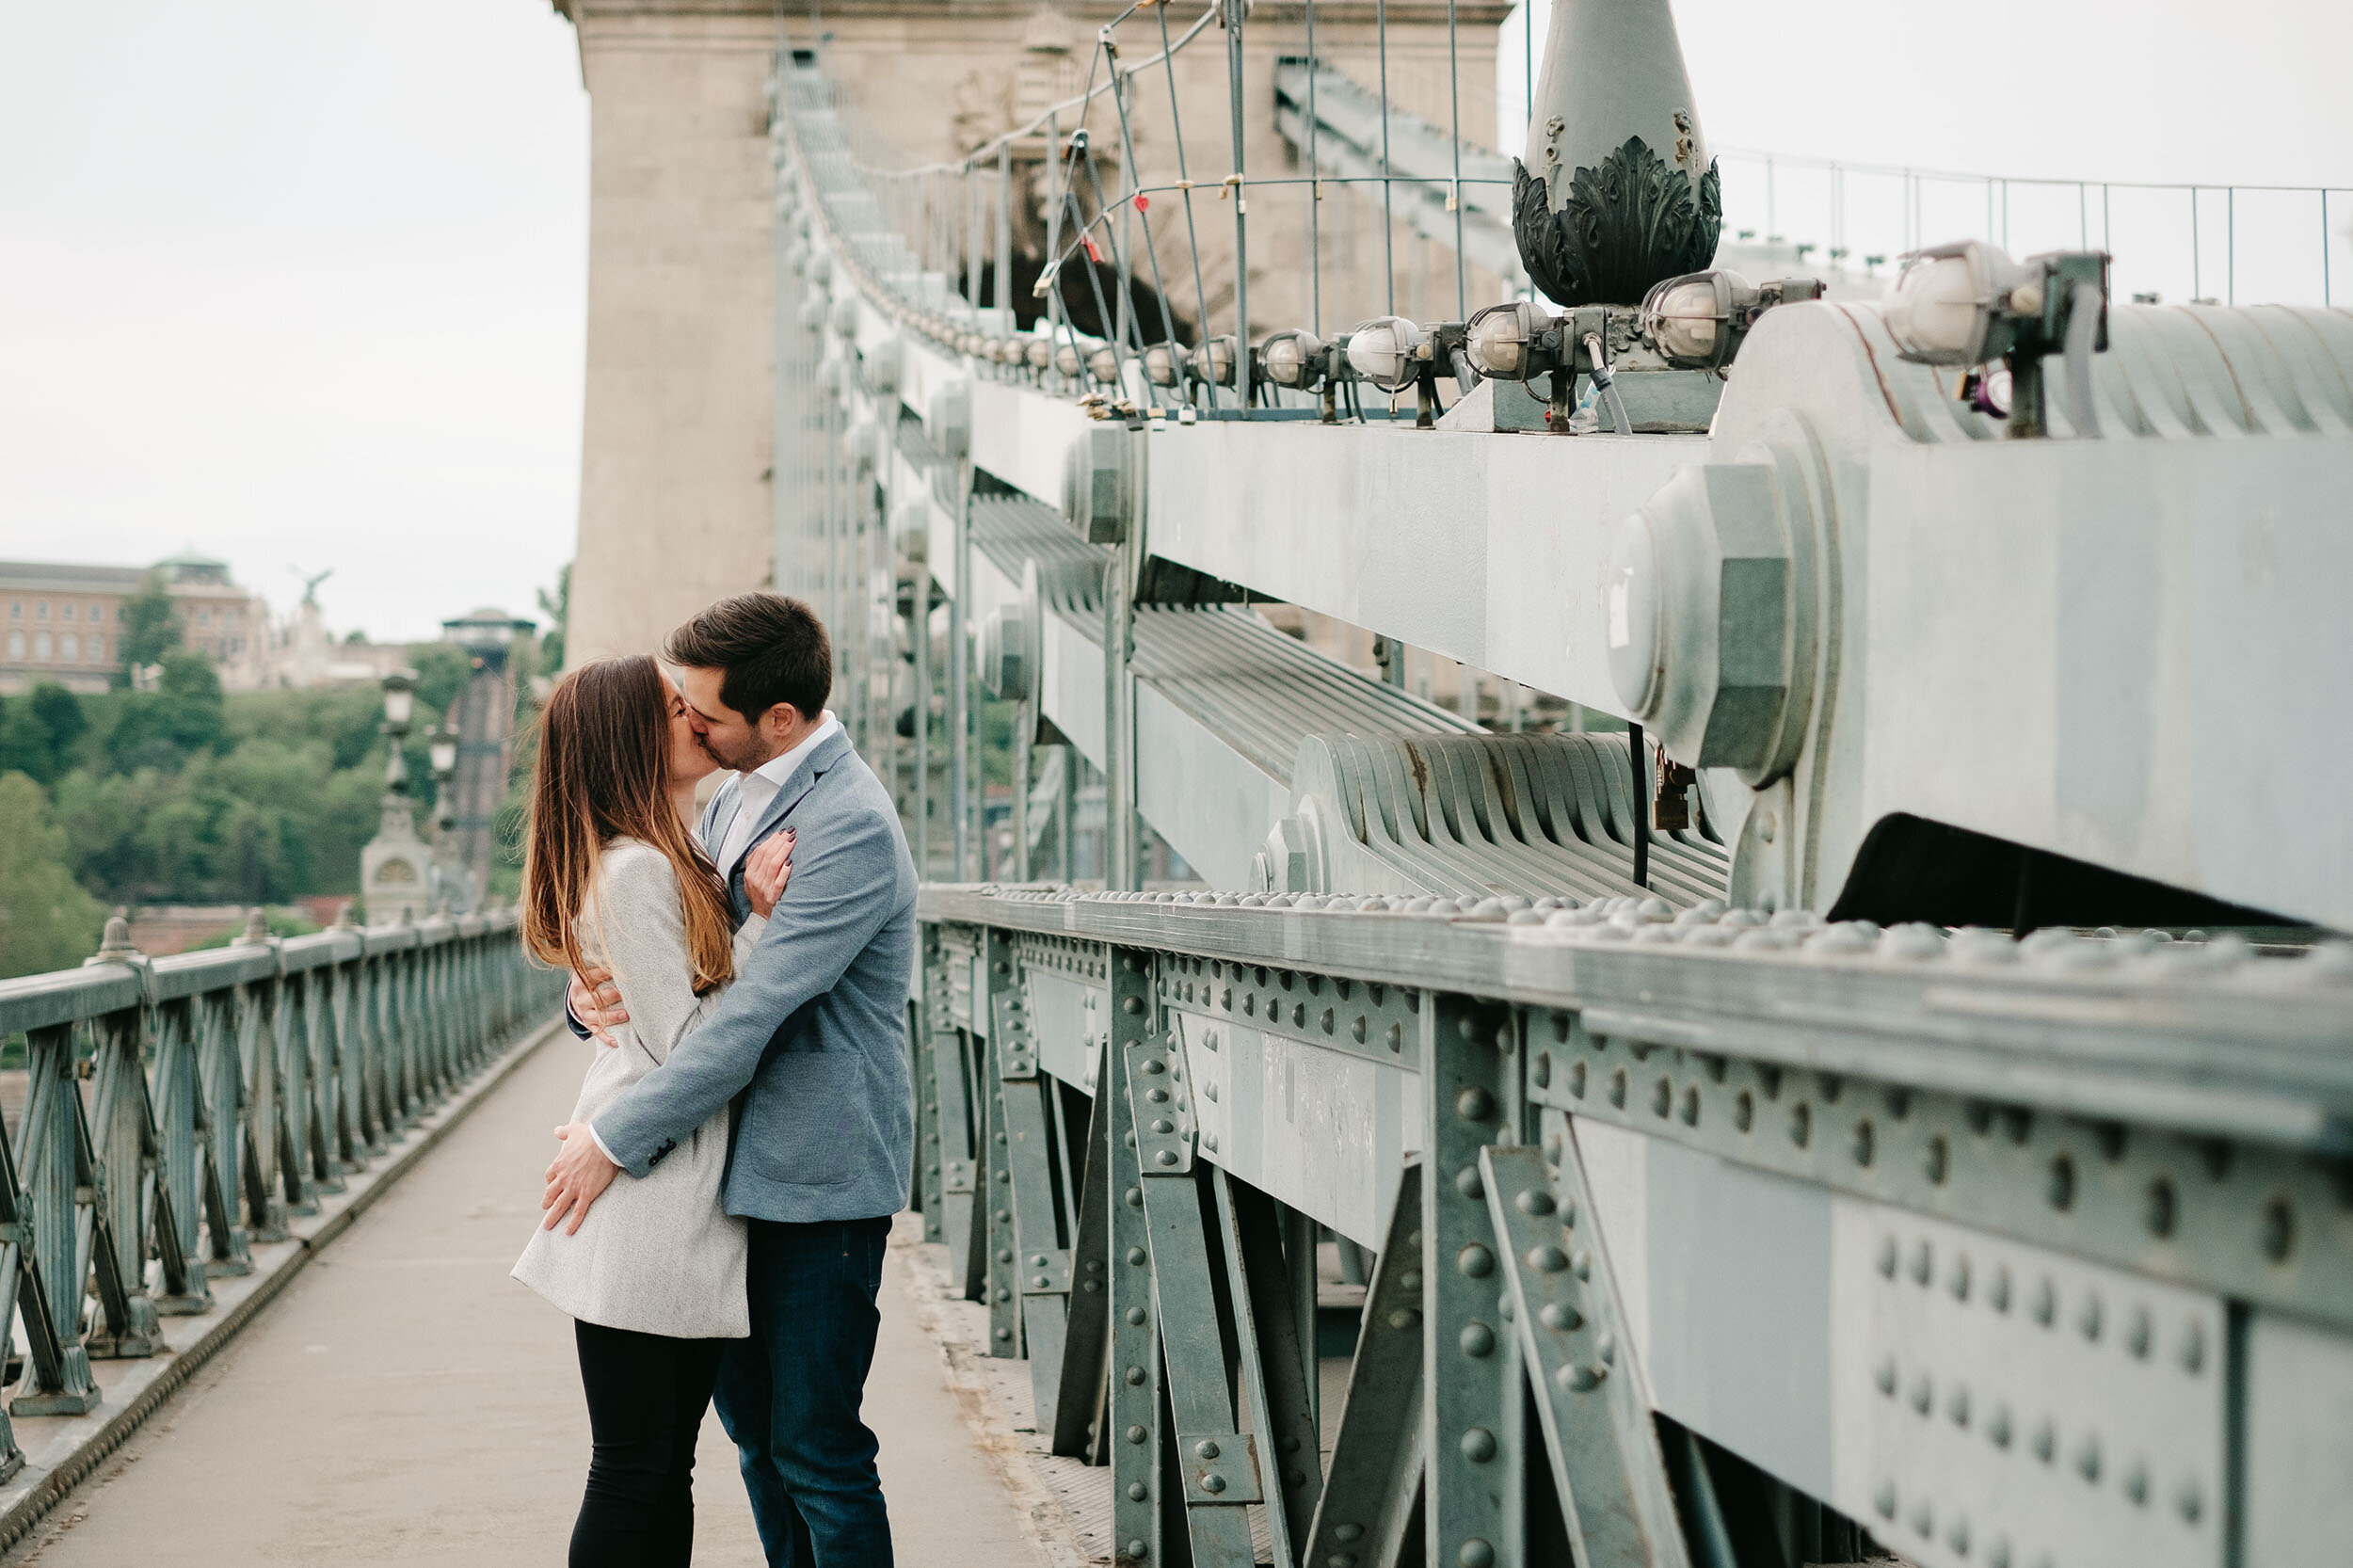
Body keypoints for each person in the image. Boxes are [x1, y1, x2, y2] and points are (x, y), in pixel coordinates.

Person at [540, 593, 919, 1567]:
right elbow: (668, 957)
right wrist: (589, 1003)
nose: (692, 722)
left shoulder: (847, 821)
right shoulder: (728, 797)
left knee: (816, 1450)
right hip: (724, 1184)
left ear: (777, 720)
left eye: (703, 710)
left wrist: (616, 1135)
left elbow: (748, 1013)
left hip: (810, 1183)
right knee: (755, 1444)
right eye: (678, 708)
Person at [511, 655, 795, 1567]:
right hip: (650, 1198)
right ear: (637, 738)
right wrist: (757, 924)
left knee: (659, 1466)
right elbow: (688, 1044)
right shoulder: (636, 870)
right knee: (637, 1467)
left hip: (666, 1195)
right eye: (679, 710)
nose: (701, 719)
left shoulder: (669, 852)